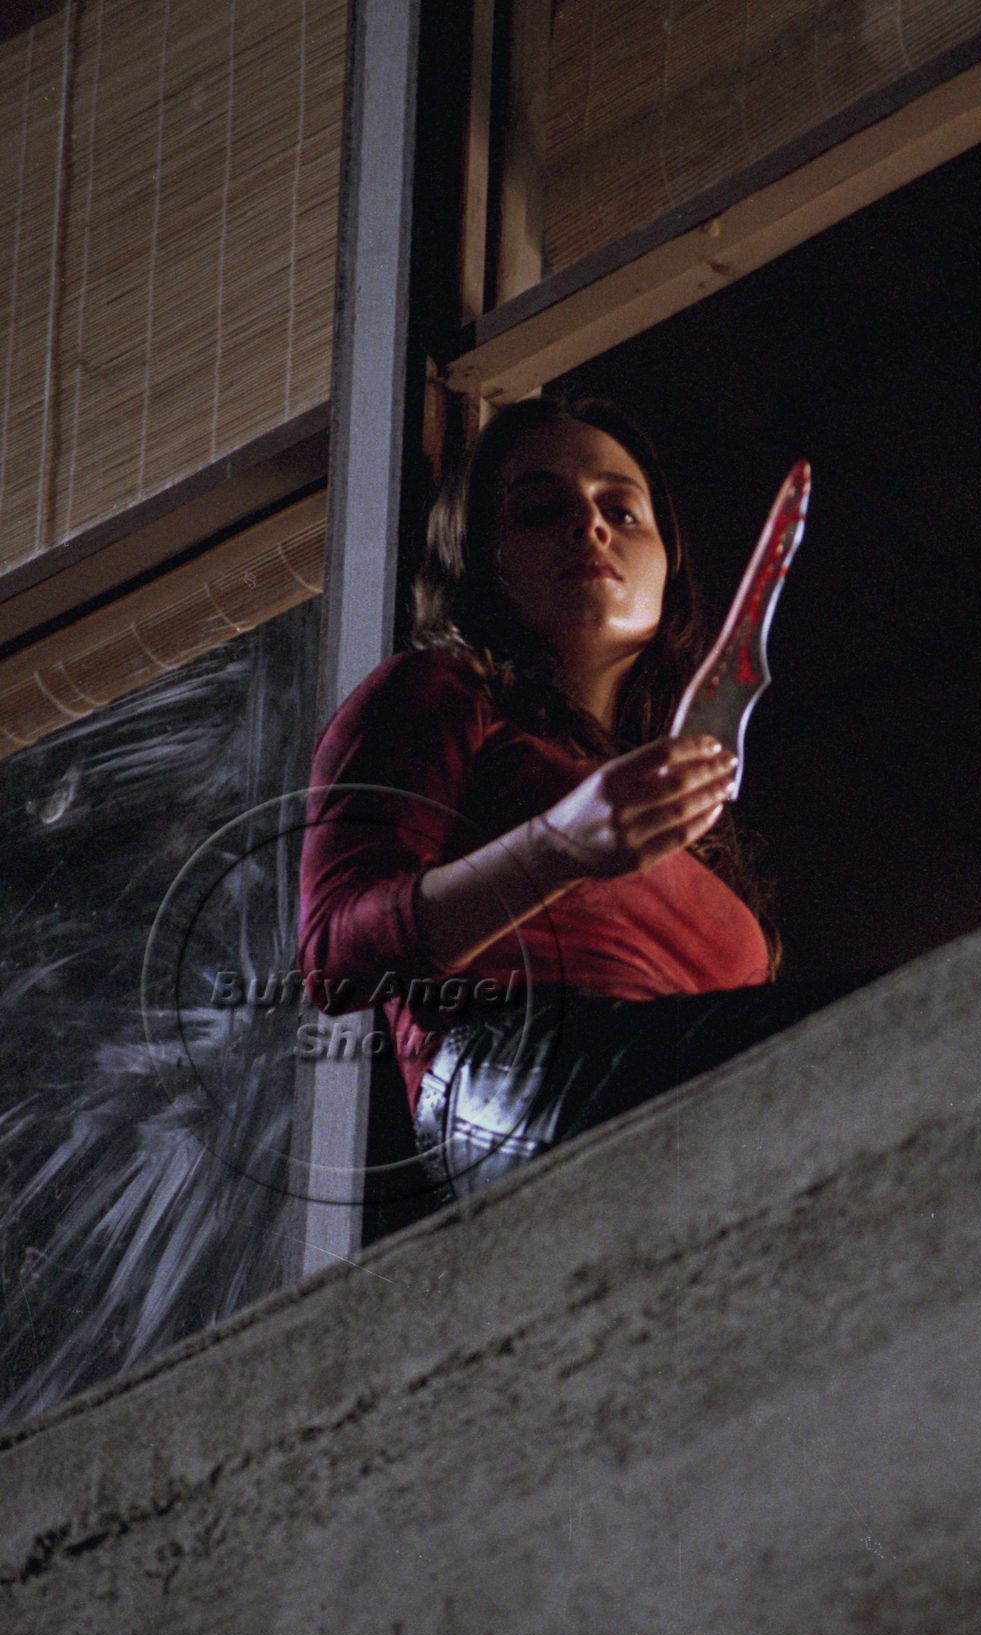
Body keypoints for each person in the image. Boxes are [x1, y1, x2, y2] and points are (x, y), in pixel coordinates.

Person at [298, 395, 863, 1203]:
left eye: (622, 511)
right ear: (479, 555)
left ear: (669, 564)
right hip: (516, 1080)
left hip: (682, 1107)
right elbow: (332, 953)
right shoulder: (438, 693)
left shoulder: (684, 823)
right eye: (539, 511)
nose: (591, 526)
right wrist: (557, 848)